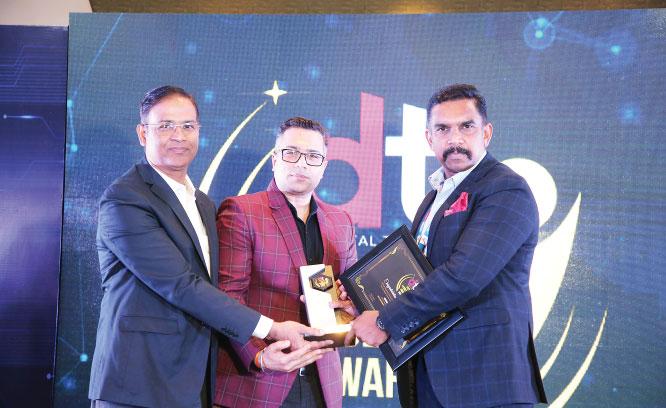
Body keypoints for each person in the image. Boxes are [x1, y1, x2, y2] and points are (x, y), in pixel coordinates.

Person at [89, 87, 329, 408]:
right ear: (143, 133)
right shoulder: (125, 198)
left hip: (194, 382)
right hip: (139, 383)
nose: (179, 135)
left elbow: (213, 287)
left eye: (188, 126)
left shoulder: (202, 204)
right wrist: (270, 329)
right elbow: (181, 286)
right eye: (166, 125)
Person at [346, 84, 548, 407]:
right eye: (442, 129)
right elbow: (417, 276)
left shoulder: (506, 189)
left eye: (466, 126)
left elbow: (463, 277)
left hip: (485, 380)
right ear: (429, 138)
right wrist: (363, 304)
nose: (455, 139)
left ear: (486, 133)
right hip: (429, 375)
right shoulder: (433, 198)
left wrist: (384, 320)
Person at [214, 117, 357, 408]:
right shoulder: (242, 212)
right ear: (274, 159)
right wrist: (258, 355)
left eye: (313, 156)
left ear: (324, 166)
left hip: (322, 385)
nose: (301, 164)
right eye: (291, 153)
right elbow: (226, 299)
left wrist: (354, 306)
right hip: (256, 381)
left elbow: (352, 295)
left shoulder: (341, 222)